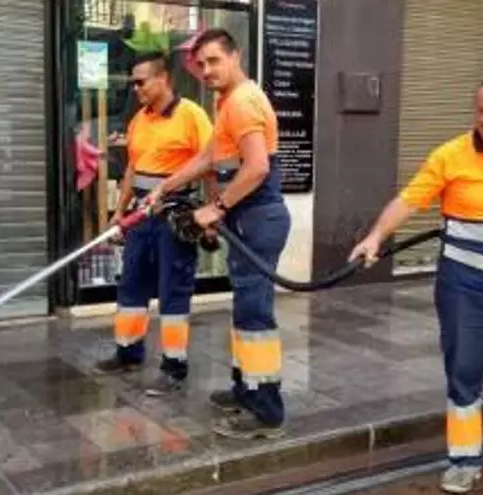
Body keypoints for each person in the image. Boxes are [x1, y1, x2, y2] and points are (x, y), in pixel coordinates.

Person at [348, 76, 483, 494]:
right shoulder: (450, 156)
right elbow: (408, 200)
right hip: (465, 288)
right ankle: (464, 461)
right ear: (475, 112)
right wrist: (376, 237)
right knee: (464, 370)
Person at [145, 28, 291, 440]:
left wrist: (218, 207)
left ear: (235, 56)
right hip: (247, 215)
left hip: (257, 216)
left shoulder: (243, 102)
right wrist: (166, 186)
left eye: (214, 61)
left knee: (255, 314)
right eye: (201, 63)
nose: (206, 70)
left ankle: (266, 412)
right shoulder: (227, 101)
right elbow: (209, 157)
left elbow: (257, 167)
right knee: (245, 308)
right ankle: (246, 389)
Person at [94, 51, 213, 399]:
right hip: (141, 215)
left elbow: (210, 165)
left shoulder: (191, 115)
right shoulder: (139, 120)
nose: (136, 88)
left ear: (163, 79)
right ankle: (128, 352)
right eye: (133, 83)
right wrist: (120, 211)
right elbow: (133, 169)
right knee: (131, 283)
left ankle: (174, 366)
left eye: (141, 82)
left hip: (174, 214)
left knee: (173, 289)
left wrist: (210, 214)